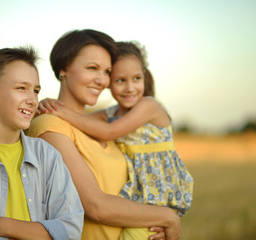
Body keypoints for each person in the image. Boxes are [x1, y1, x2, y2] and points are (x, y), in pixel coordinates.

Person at [27, 29, 181, 240]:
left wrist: (152, 224)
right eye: (92, 68)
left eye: (107, 72)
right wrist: (168, 217)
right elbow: (96, 207)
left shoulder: (103, 125)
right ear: (63, 69)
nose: (102, 80)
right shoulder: (50, 125)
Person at [0, 46, 84, 240]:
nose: (33, 100)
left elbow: (71, 229)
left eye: (36, 91)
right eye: (21, 88)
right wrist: (44, 233)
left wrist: (3, 226)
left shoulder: (47, 154)